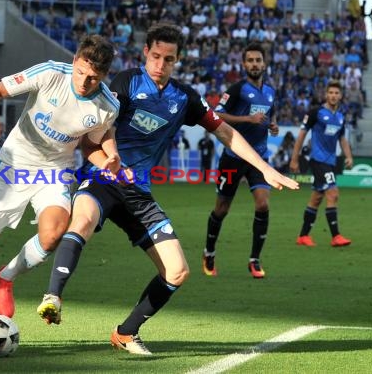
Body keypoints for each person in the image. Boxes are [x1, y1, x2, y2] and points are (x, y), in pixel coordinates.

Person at [36, 24, 299, 355]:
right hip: (104, 178)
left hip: (139, 193)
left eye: (169, 59)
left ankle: (126, 332)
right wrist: (111, 163)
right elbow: (95, 136)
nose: (160, 65)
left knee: (177, 271)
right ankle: (53, 297)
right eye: (156, 56)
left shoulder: (184, 97)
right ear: (146, 52)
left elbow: (226, 133)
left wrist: (265, 168)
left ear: (178, 60)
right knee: (82, 221)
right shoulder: (126, 83)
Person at [0, 34, 121, 350]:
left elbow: (90, 145)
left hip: (55, 171)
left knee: (53, 234)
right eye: (81, 72)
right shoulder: (51, 72)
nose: (85, 81)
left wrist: (108, 161)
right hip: (15, 163)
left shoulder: (107, 106)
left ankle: (5, 278)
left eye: (94, 78)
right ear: (75, 62)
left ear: (105, 76)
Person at [202, 43, 279, 279]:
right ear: (244, 64)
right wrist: (247, 118)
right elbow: (216, 114)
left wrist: (271, 125)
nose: (255, 64)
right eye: (251, 60)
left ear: (264, 64)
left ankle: (254, 260)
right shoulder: (236, 90)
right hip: (233, 157)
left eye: (258, 60)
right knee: (222, 208)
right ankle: (209, 252)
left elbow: (266, 117)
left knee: (263, 204)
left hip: (258, 158)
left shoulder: (271, 92)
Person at [290, 81, 353, 247]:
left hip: (331, 161)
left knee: (317, 198)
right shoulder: (316, 112)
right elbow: (302, 135)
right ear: (326, 94)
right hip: (318, 160)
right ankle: (336, 236)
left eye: (336, 93)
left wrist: (349, 156)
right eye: (330, 92)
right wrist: (294, 159)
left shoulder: (340, 116)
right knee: (333, 193)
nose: (333, 95)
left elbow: (342, 138)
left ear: (340, 96)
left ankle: (303, 236)